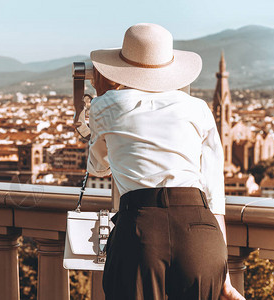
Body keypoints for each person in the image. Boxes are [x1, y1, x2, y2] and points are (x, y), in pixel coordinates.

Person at [86, 23, 245, 300]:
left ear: (120, 68)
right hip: (202, 236)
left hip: (140, 233)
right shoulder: (198, 109)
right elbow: (214, 196)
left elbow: (98, 168)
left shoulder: (106, 105)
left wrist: (102, 95)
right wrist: (225, 276)